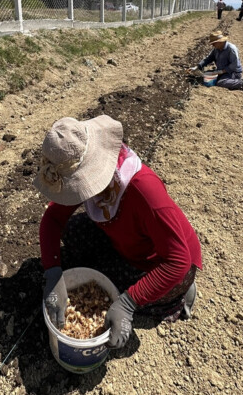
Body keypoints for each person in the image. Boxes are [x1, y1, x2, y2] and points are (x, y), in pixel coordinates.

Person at [36, 115, 202, 349]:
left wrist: (128, 303)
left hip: (166, 263)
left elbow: (178, 260)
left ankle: (175, 298)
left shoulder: (144, 192)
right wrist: (52, 272)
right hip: (128, 241)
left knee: (110, 289)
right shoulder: (98, 184)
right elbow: (53, 218)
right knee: (74, 233)